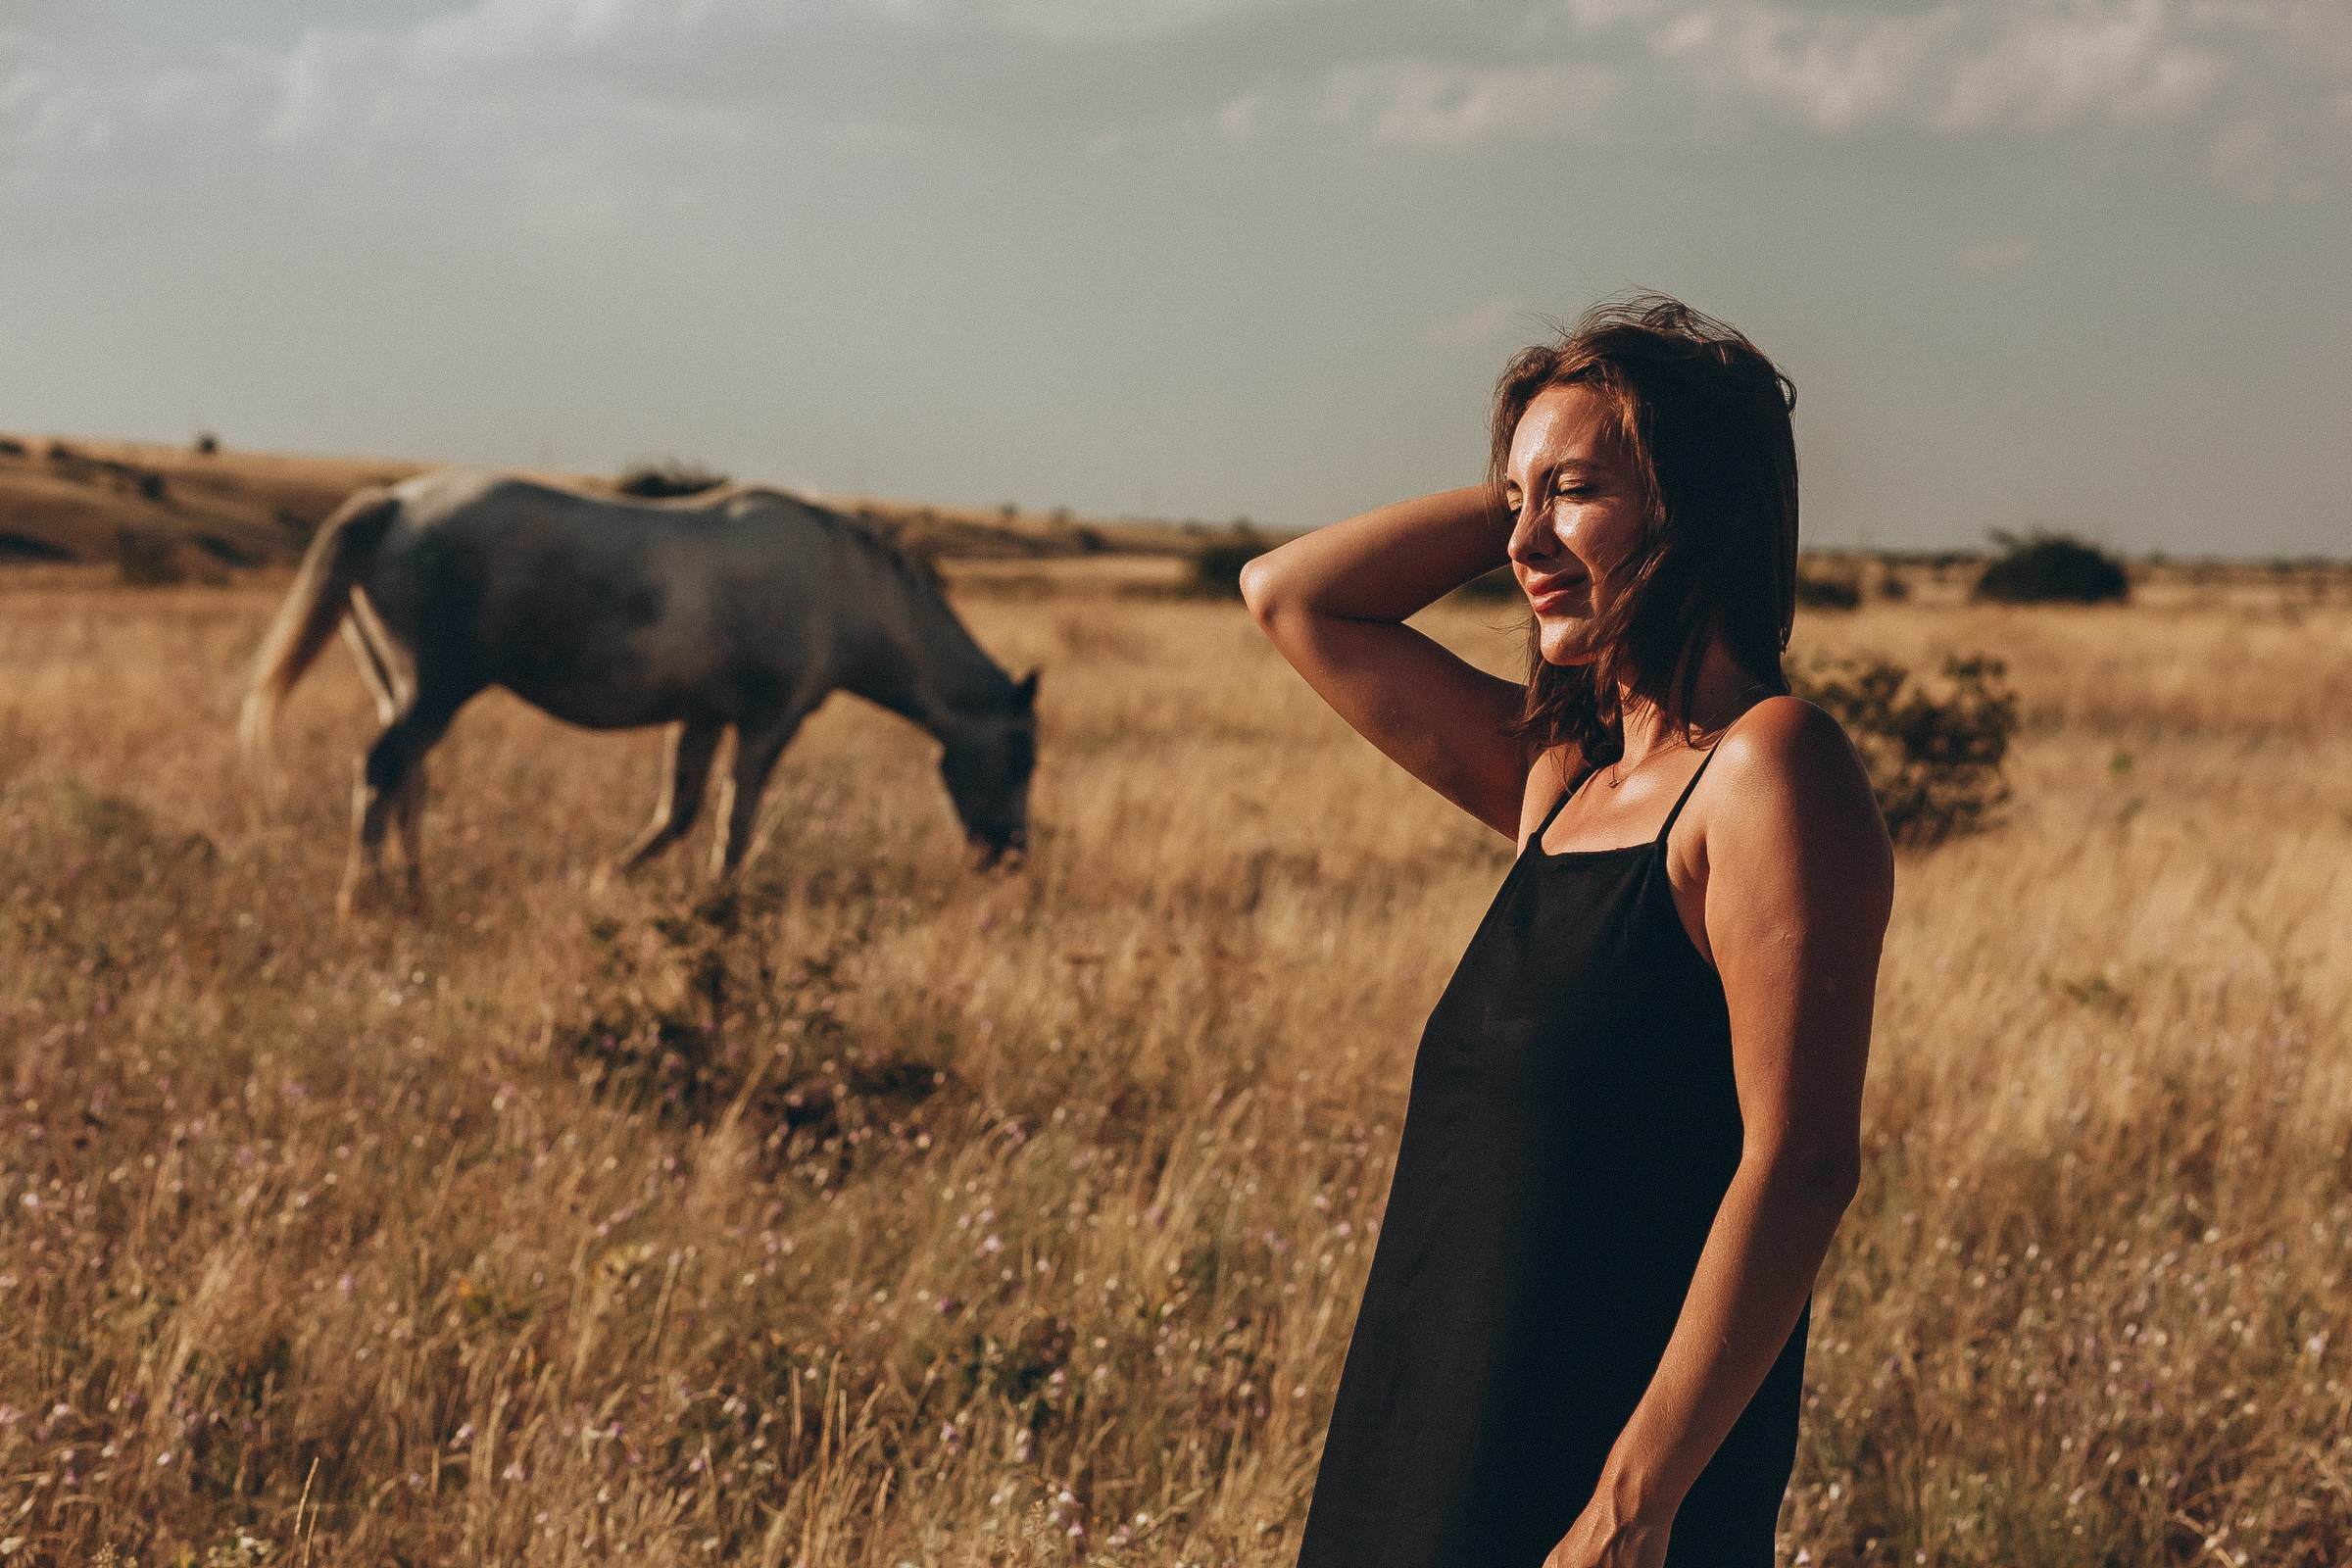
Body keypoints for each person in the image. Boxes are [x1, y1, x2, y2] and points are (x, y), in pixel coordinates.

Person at [1241, 297, 1893, 1568]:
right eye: (1509, 502)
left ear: (1694, 504)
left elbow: (1802, 1162)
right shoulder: (1564, 782)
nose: (1524, 543)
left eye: (1578, 493)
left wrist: (1629, 1507)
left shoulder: (1770, 770)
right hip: (1414, 1459)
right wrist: (1542, 500)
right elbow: (1292, 597)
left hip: (1597, 1496)